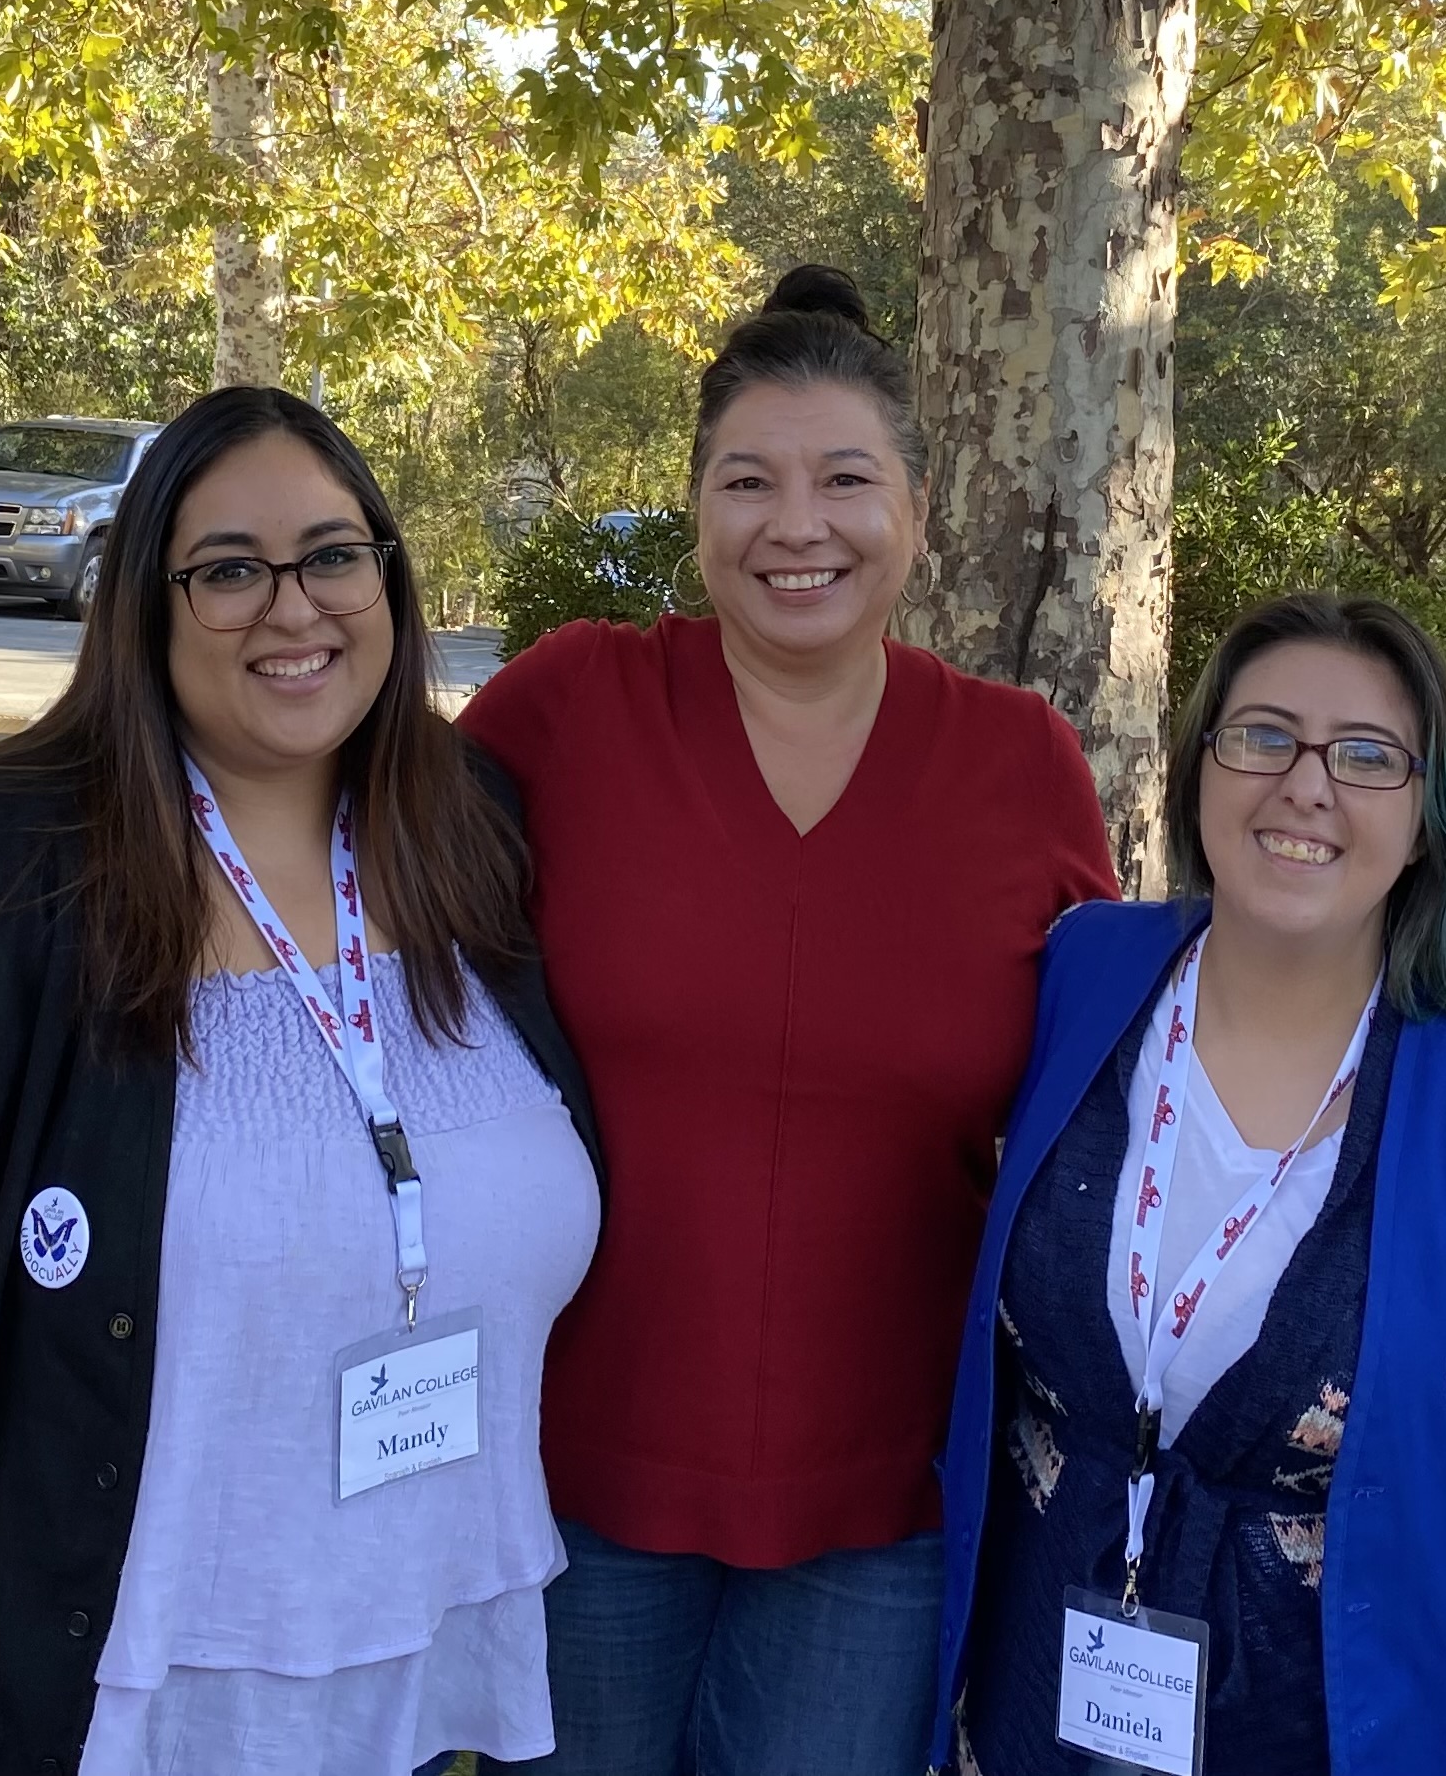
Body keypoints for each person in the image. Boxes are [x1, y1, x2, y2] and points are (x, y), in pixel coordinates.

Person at [0, 384, 604, 1776]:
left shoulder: (470, 841)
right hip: (93, 1717)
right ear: (144, 605)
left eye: (333, 554)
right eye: (228, 568)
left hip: (411, 1708)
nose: (292, 607)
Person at [459, 266, 1120, 1776]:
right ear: (696, 509)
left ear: (917, 508)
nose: (797, 525)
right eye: (748, 481)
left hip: (883, 1502)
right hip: (572, 1476)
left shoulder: (1020, 765)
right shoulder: (573, 707)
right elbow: (358, 885)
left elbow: (1115, 1099)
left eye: (845, 480)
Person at [937, 593, 1446, 1776]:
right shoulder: (1081, 977)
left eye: (1368, 757)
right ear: (1200, 768)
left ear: (1428, 820)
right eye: (1263, 734)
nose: (1306, 785)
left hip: (1341, 1731)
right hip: (1027, 1714)